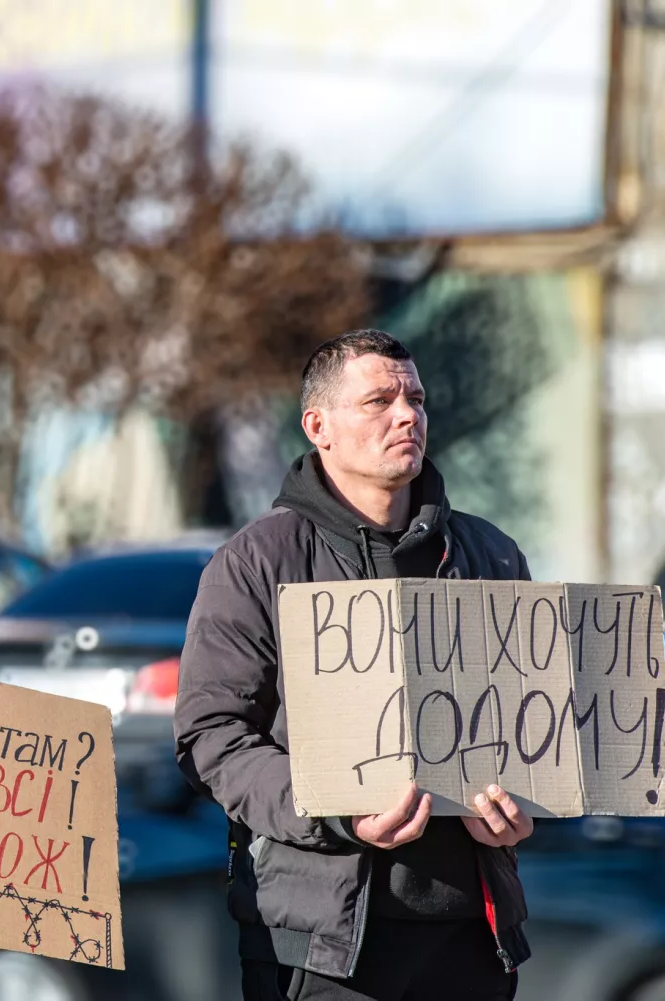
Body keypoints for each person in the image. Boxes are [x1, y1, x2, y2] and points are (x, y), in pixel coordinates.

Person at [174, 329, 535, 1001]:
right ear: (319, 426)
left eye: (416, 398)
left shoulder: (491, 555)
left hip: (474, 942)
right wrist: (335, 810)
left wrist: (522, 807)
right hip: (324, 950)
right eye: (379, 400)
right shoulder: (257, 562)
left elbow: (529, 732)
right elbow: (211, 740)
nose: (408, 415)